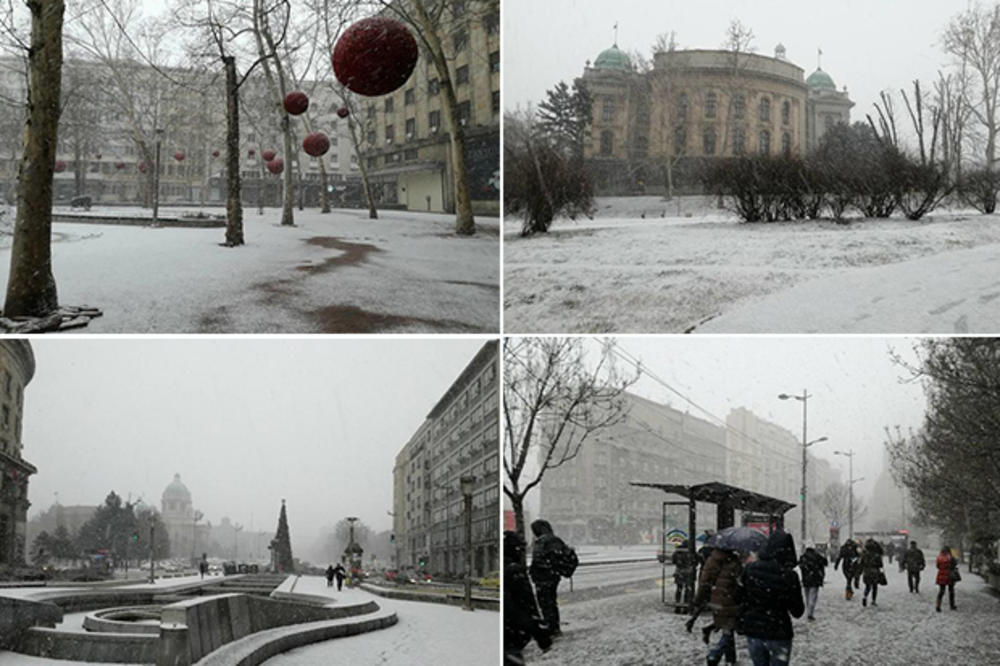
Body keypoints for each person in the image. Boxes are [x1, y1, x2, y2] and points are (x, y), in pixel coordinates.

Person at [737, 530, 805, 666]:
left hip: (754, 631)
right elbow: (797, 611)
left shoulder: (750, 570)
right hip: (779, 632)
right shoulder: (789, 576)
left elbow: (740, 599)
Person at [504, 531, 551, 665]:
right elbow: (528, 606)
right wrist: (542, 637)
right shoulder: (514, 571)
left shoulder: (507, 569)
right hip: (513, 635)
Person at [691, 545, 742, 666]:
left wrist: (698, 600)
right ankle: (715, 654)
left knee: (727, 627)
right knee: (728, 629)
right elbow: (740, 582)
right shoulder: (735, 561)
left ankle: (730, 659)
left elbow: (704, 583)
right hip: (731, 600)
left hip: (716, 601)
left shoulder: (712, 560)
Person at [529, 519, 568, 637]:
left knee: (547, 602)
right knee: (547, 602)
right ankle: (551, 626)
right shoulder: (547, 540)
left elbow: (552, 559)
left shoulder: (549, 540)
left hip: (547, 577)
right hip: (545, 576)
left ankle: (552, 627)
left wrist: (542, 567)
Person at [798, 541, 828, 621]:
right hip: (815, 580)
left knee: (807, 597)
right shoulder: (817, 556)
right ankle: (810, 614)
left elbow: (800, 566)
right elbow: (825, 562)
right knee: (813, 597)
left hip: (806, 580)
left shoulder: (803, 557)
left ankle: (809, 611)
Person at [672, 539, 696, 614]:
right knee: (687, 589)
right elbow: (695, 561)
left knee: (679, 589)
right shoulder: (690, 552)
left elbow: (673, 560)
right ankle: (686, 606)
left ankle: (677, 606)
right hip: (688, 573)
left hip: (679, 572)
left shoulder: (677, 552)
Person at [859, 538, 885, 607]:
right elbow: (880, 565)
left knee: (867, 586)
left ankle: (865, 596)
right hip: (874, 572)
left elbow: (861, 564)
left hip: (866, 572)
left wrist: (859, 572)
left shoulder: (864, 555)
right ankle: (873, 600)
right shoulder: (876, 555)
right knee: (874, 587)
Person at [935, 546, 960, 612]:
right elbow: (955, 564)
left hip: (941, 575)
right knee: (951, 591)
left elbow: (937, 566)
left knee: (941, 591)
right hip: (950, 575)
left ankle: (938, 605)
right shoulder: (951, 557)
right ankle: (952, 605)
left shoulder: (939, 557)